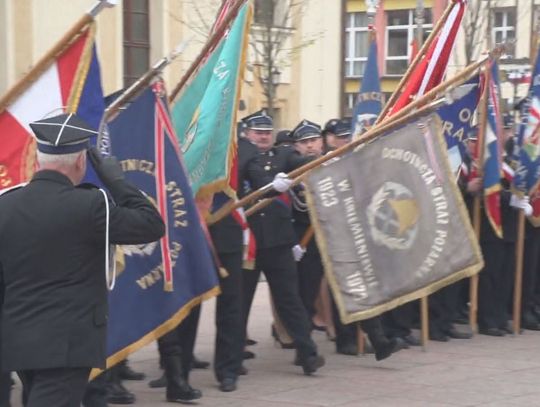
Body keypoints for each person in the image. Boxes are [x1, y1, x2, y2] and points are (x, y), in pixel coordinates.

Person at [0, 113, 165, 407]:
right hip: (68, 342)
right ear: (80, 162)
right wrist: (116, 181)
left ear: (38, 160)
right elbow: (151, 224)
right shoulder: (90, 206)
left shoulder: (6, 204)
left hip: (18, 337)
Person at [240, 109, 325, 375]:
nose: (263, 137)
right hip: (246, 242)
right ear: (246, 134)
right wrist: (267, 187)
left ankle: (307, 353)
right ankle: (231, 361)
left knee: (290, 300)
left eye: (267, 132)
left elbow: (304, 163)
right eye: (258, 132)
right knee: (239, 302)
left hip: (278, 241)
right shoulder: (237, 155)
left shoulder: (283, 155)